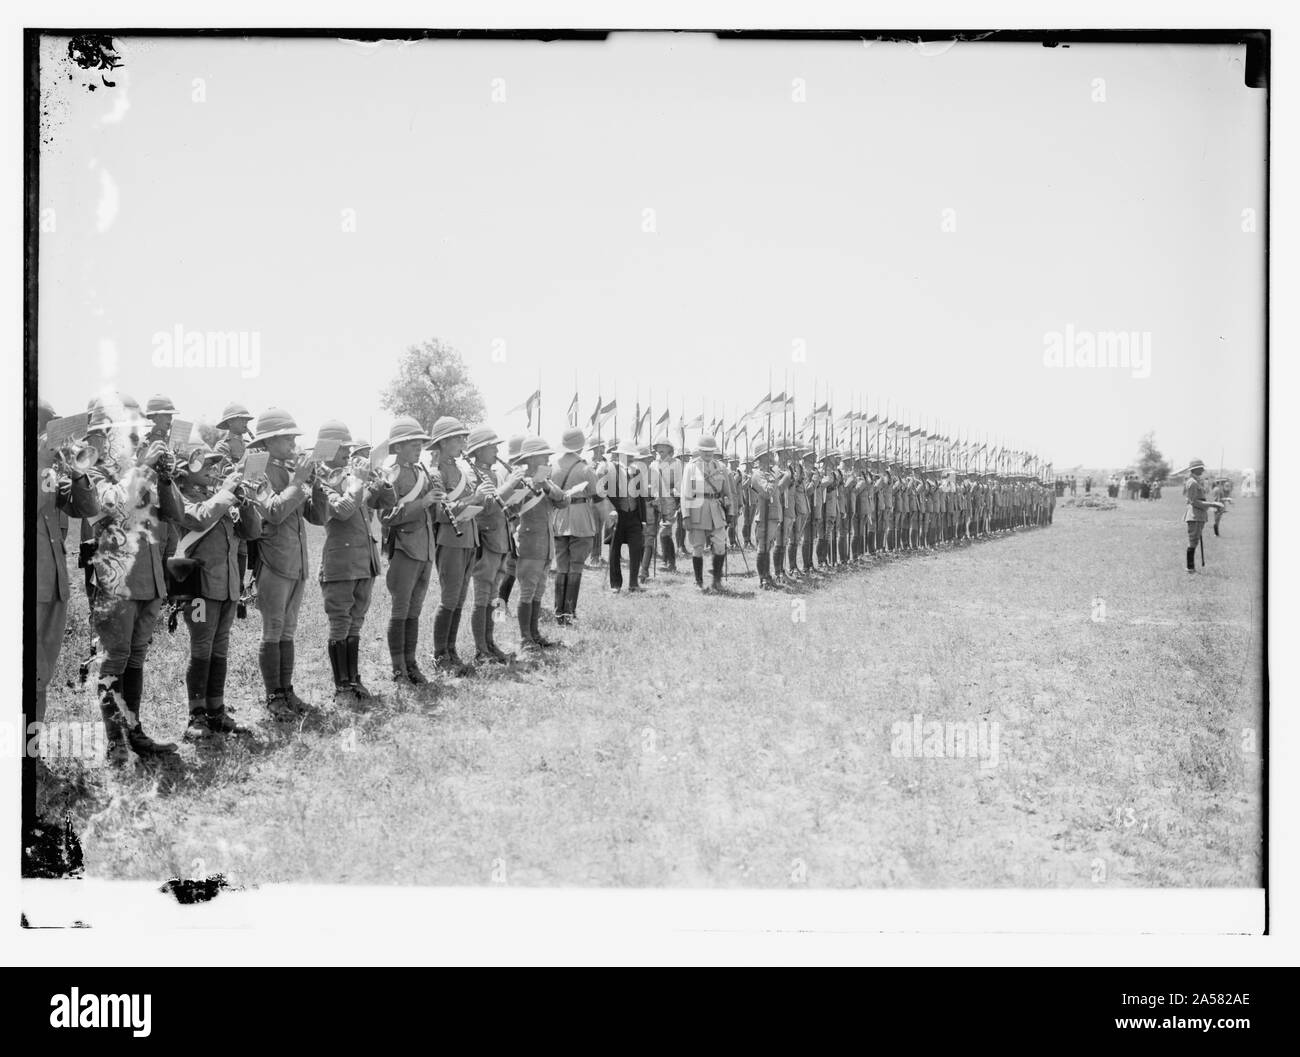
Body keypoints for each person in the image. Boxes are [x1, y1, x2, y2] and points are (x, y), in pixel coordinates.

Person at [86, 392, 185, 763]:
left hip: (150, 576)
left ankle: (135, 731)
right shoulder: (96, 469)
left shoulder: (140, 464)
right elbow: (111, 504)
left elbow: (175, 514)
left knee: (137, 656)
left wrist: (164, 478)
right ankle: (114, 743)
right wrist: (141, 467)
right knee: (116, 657)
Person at [32, 401, 99, 825]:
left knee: (42, 675)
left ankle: (29, 753)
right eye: (44, 428)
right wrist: (43, 458)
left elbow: (87, 507)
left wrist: (74, 470)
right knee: (27, 673)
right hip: (28, 585)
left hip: (53, 583)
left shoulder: (52, 469)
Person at [172, 444, 262, 739]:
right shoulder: (179, 497)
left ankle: (216, 710)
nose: (212, 467)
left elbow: (251, 533)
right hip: (197, 588)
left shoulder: (220, 498)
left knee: (219, 649)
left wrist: (245, 502)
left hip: (226, 587)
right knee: (201, 647)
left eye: (213, 463)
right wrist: (226, 491)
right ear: (184, 472)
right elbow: (198, 518)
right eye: (205, 463)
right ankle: (196, 716)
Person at [307, 420, 395, 702]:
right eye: (342, 448)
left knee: (356, 622)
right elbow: (343, 510)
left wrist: (381, 482)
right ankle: (341, 687)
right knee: (340, 624)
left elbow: (382, 502)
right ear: (327, 450)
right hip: (341, 564)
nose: (348, 452)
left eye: (348, 447)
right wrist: (357, 481)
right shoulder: (322, 481)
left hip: (362, 562)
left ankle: (354, 680)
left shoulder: (348, 477)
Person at [249, 408, 319, 721]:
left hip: (296, 559)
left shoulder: (290, 469)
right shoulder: (255, 470)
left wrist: (315, 483)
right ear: (269, 440)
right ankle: (273, 696)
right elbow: (273, 512)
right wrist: (299, 479)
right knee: (273, 628)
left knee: (288, 629)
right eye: (287, 437)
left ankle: (286, 689)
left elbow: (318, 517)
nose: (293, 442)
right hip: (273, 560)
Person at [429, 416, 493, 672]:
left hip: (469, 538)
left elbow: (469, 503)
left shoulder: (461, 470)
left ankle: (451, 650)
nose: (461, 442)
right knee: (448, 598)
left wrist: (482, 499)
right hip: (451, 541)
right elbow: (442, 513)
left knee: (459, 599)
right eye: (456, 438)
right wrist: (473, 499)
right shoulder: (436, 473)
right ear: (443, 442)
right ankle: (439, 654)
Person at [379, 417, 437, 683]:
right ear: (399, 446)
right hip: (404, 548)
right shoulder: (392, 474)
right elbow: (386, 516)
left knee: (415, 611)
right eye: (413, 444)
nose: (419, 448)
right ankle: (398, 668)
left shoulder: (420, 472)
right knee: (400, 610)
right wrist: (422, 503)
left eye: (420, 444)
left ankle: (412, 663)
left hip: (425, 548)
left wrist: (436, 500)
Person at [464, 427, 523, 664]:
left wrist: (519, 492)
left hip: (501, 541)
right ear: (479, 451)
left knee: (494, 597)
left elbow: (505, 507)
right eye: (492, 447)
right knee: (481, 597)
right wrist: (510, 485)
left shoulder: (495, 473)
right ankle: (481, 650)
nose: (497, 451)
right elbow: (487, 506)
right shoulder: (470, 474)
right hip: (485, 542)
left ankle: (490, 643)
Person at [510, 436, 570, 650]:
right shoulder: (519, 480)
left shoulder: (545, 479)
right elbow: (512, 508)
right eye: (543, 455)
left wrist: (546, 486)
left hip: (546, 544)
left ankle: (534, 634)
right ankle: (525, 638)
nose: (547, 458)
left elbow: (563, 500)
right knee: (527, 591)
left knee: (538, 591)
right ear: (532, 458)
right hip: (529, 543)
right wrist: (527, 487)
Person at [550, 428, 606, 625]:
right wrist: (608, 516)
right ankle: (569, 611)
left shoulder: (553, 466)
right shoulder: (585, 469)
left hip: (558, 518)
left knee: (561, 565)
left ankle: (559, 611)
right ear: (580, 446)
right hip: (581, 517)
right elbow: (598, 497)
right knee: (576, 566)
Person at [681, 434, 735, 593]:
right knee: (697, 546)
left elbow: (728, 492)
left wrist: (730, 511)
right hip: (697, 509)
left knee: (720, 545)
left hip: (716, 510)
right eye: (704, 451)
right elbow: (685, 493)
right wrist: (686, 516)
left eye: (710, 451)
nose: (708, 454)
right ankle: (698, 581)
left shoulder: (721, 467)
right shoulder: (691, 467)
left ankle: (716, 581)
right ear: (699, 450)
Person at [602, 441, 648, 593]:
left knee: (636, 548)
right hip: (617, 515)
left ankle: (634, 584)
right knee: (614, 551)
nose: (629, 458)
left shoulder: (637, 472)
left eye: (631, 456)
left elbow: (641, 497)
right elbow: (603, 494)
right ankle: (615, 585)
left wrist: (644, 519)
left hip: (634, 516)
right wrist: (610, 511)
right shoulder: (610, 470)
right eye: (627, 455)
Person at [747, 439, 787, 591]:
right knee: (762, 548)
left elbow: (779, 490)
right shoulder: (757, 474)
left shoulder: (770, 473)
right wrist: (776, 476)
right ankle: (762, 579)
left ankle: (768, 576)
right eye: (769, 453)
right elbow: (767, 491)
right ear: (763, 456)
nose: (772, 455)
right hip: (763, 515)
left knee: (768, 547)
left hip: (773, 514)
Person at [645, 436, 681, 576]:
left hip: (670, 500)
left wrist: (675, 495)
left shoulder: (676, 463)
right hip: (656, 500)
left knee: (665, 531)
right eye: (657, 448)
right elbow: (651, 483)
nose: (660, 450)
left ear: (669, 449)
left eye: (663, 447)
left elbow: (679, 482)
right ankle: (665, 560)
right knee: (654, 530)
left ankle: (671, 562)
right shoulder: (653, 464)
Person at [1183, 459, 1223, 572]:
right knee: (1193, 540)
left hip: (1199, 514)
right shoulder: (1192, 482)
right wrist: (1212, 504)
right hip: (1194, 515)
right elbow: (1193, 501)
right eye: (1201, 468)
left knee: (1194, 541)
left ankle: (1191, 567)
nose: (1203, 469)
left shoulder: (1196, 481)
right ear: (1194, 469)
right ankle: (1190, 567)